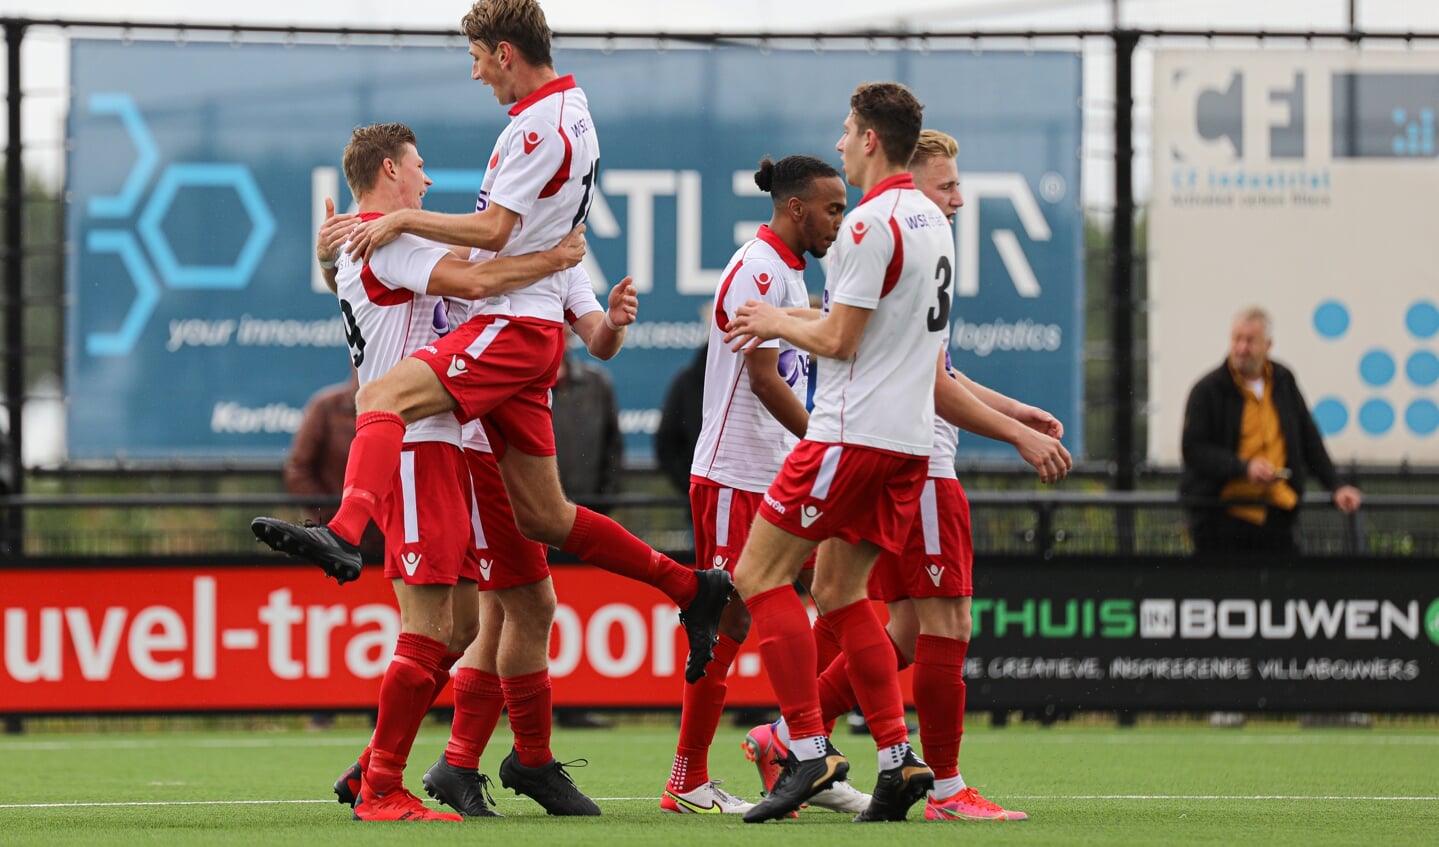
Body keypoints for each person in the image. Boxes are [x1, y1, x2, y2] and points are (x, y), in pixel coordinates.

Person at [251, 0, 731, 690]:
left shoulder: (541, 128)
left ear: (505, 52)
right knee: (536, 539)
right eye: (417, 166)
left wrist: (398, 222)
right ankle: (687, 585)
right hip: (486, 374)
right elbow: (504, 266)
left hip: (501, 344)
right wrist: (360, 238)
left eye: (476, 58)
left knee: (385, 411)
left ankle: (345, 534)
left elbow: (495, 240)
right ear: (389, 169)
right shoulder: (548, 128)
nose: (475, 74)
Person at [747, 130, 1070, 823]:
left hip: (891, 452)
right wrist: (1013, 432)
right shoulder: (892, 236)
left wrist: (1013, 411)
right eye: (946, 184)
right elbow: (921, 377)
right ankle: (941, 786)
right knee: (934, 622)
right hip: (912, 462)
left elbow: (937, 369)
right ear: (911, 182)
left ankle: (802, 737)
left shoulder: (907, 246)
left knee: (875, 616)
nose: (956, 197)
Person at [318, 121, 585, 822]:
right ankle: (381, 788)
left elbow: (462, 274)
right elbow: (476, 274)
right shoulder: (392, 235)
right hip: (412, 443)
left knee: (462, 626)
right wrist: (553, 257)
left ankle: (374, 763)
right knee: (430, 624)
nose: (428, 179)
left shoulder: (377, 237)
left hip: (441, 442)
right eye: (419, 166)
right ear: (388, 169)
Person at [720, 82, 950, 824]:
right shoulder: (930, 219)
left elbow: (840, 340)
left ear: (872, 139)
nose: (842, 142)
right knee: (841, 592)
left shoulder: (866, 222)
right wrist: (791, 314)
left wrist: (770, 321)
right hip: (907, 443)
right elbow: (868, 325)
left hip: (849, 435)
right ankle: (896, 757)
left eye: (848, 131)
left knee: (758, 574)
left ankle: (809, 749)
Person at [660, 154, 863, 816]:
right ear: (796, 207)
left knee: (763, 611)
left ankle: (785, 750)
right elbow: (763, 379)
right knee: (736, 616)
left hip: (768, 469)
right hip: (733, 472)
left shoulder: (786, 272)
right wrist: (821, 441)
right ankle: (794, 749)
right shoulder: (757, 267)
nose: (841, 219)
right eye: (833, 208)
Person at [1180, 306, 1362, 554]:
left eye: (1250, 341)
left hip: (1277, 513)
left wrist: (1336, 486)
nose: (1241, 348)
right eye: (1237, 339)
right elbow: (1194, 449)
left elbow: (1308, 437)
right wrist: (1244, 468)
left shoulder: (1283, 380)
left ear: (1268, 345)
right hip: (1223, 516)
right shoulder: (1208, 389)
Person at [284, 369, 384, 563]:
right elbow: (297, 469)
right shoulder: (326, 407)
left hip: (387, 541)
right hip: (333, 541)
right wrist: (333, 515)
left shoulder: (402, 406)